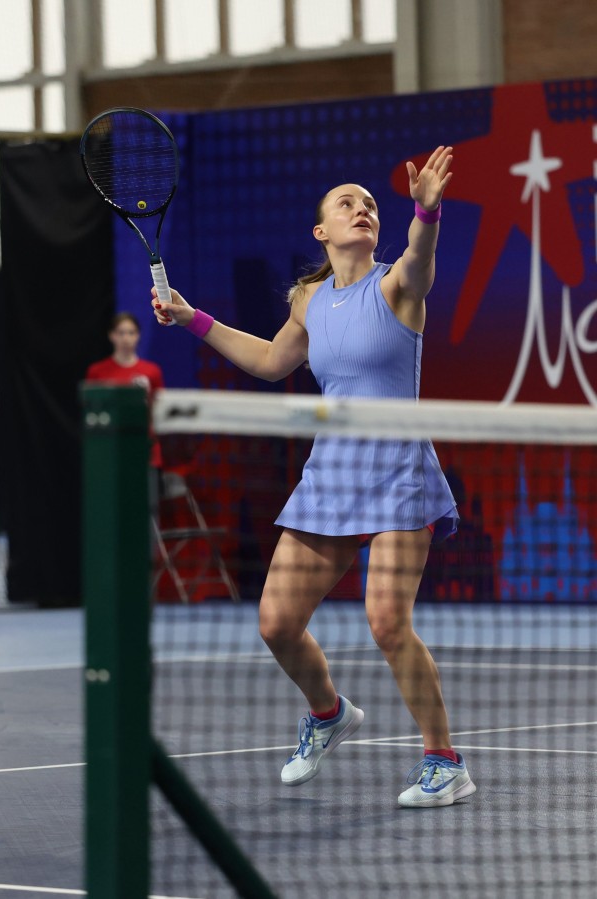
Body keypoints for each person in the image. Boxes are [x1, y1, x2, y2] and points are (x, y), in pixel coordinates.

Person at [151, 146, 476, 809]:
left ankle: (445, 761)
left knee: (386, 622)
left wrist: (426, 211)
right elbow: (272, 361)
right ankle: (328, 712)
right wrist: (192, 318)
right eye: (347, 202)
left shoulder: (396, 285)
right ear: (321, 230)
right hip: (331, 475)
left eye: (371, 204)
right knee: (276, 622)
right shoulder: (308, 299)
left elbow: (420, 258)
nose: (363, 208)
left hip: (398, 474)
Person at [85, 311, 165, 482]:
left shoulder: (151, 371)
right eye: (121, 333)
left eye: (131, 333)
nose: (126, 338)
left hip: (144, 446)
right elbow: (91, 413)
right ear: (111, 336)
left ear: (138, 336)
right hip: (109, 446)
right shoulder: (97, 371)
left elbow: (158, 411)